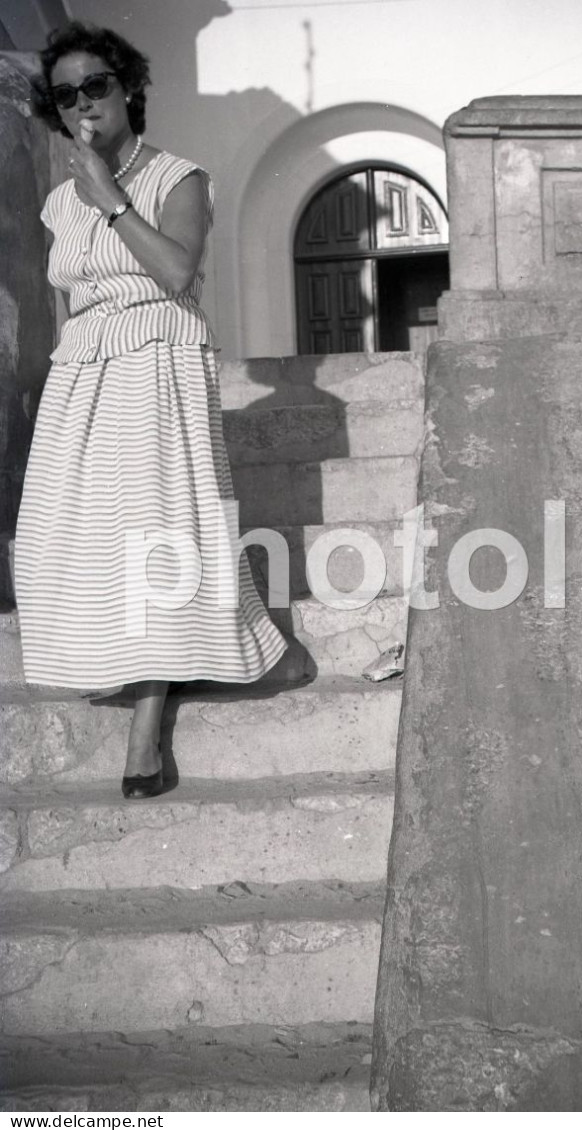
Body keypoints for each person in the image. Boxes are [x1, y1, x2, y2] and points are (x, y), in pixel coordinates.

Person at [17, 21, 288, 798]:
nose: (81, 106)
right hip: (84, 372)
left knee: (154, 535)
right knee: (61, 538)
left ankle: (146, 728)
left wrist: (109, 199)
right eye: (64, 96)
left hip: (158, 359)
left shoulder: (178, 176)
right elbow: (71, 301)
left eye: (94, 87)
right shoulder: (55, 203)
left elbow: (174, 271)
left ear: (127, 88)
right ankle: (176, 654)